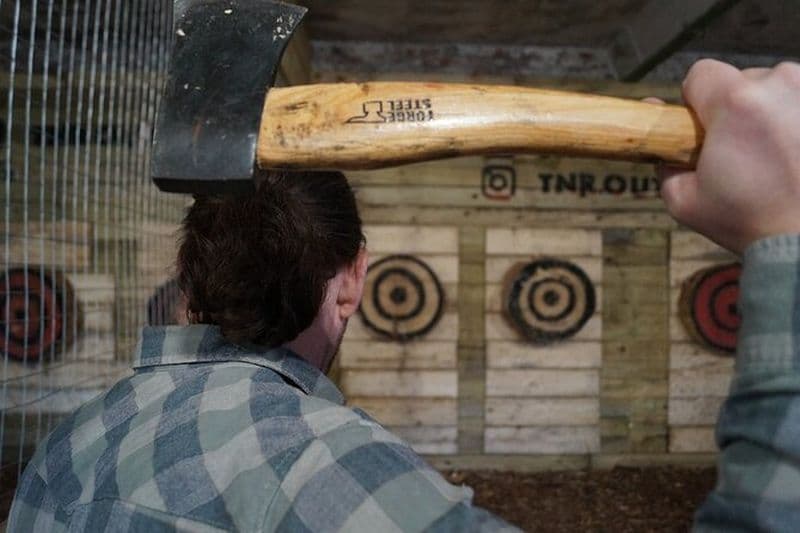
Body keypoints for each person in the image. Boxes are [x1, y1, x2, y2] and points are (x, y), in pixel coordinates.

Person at [7, 58, 800, 531]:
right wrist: (786, 232)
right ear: (353, 280)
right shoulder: (328, 470)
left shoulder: (65, 449)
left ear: (187, 274)